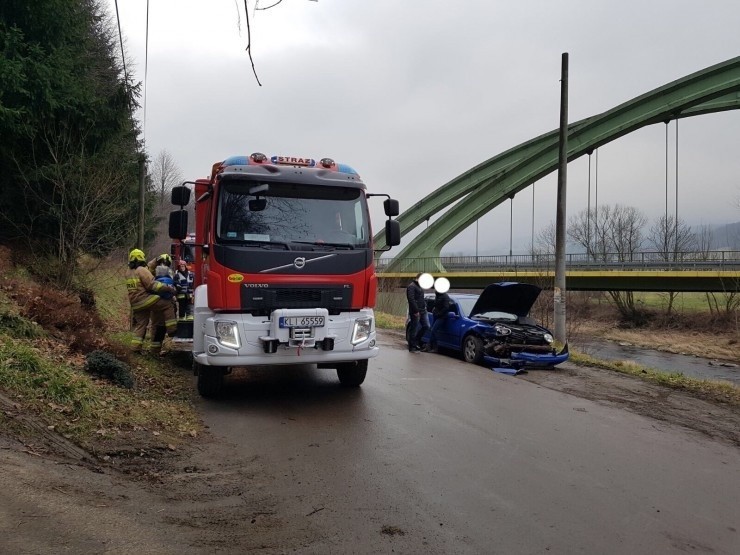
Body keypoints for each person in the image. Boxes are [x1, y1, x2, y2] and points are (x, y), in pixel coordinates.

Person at [125, 249, 177, 355]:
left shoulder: (129, 272)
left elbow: (147, 268)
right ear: (141, 258)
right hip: (145, 299)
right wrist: (168, 288)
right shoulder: (142, 270)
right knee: (168, 305)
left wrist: (157, 260)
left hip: (135, 303)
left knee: (141, 324)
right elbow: (152, 285)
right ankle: (172, 330)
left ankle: (135, 348)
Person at [406, 273, 430, 352]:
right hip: (415, 311)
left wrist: (425, 306)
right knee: (414, 328)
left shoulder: (419, 287)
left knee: (426, 326)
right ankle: (412, 347)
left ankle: (416, 341)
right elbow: (411, 299)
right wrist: (416, 310)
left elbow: (421, 298)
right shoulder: (411, 286)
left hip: (423, 310)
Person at [427, 289, 453, 353]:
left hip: (442, 317)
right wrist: (434, 309)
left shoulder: (445, 296)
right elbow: (436, 304)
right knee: (432, 330)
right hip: (435, 315)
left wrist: (440, 313)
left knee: (433, 330)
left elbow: (446, 307)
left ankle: (435, 348)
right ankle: (429, 346)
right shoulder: (437, 295)